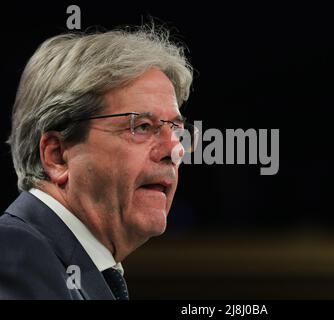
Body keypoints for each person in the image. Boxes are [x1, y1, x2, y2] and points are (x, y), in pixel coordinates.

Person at [0, 25, 194, 299]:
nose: (173, 150)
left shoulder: (67, 265)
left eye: (176, 130)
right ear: (57, 156)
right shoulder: (14, 257)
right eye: (141, 127)